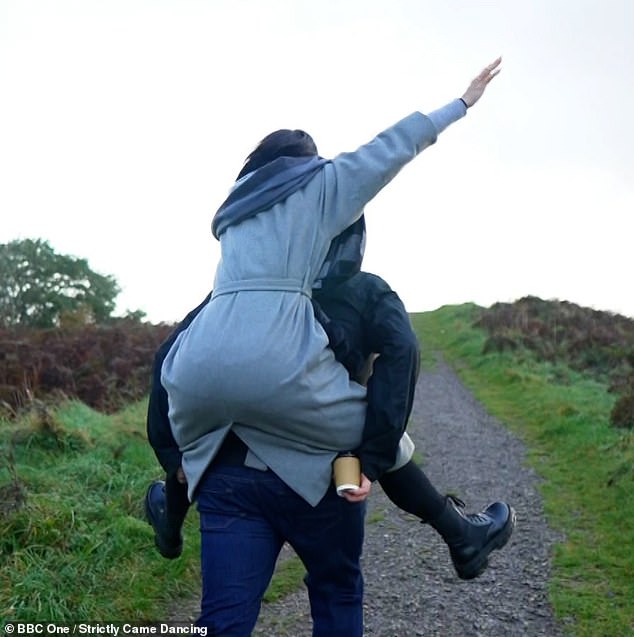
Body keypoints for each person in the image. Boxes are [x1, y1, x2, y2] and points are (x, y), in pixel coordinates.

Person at [156, 58, 502, 634]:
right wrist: (460, 104)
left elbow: (165, 374)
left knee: (221, 617)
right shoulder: (314, 187)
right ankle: (459, 530)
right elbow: (387, 149)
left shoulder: (236, 211)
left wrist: (179, 459)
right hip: (276, 372)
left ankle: (169, 505)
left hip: (200, 370)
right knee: (378, 437)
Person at [147, 272, 515, 583]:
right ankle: (459, 533)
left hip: (236, 444)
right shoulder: (365, 290)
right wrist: (370, 461)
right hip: (335, 456)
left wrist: (170, 452)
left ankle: (170, 519)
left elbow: (169, 355)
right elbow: (402, 351)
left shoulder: (246, 290)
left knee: (203, 428)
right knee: (371, 434)